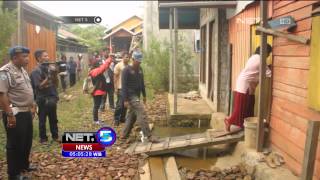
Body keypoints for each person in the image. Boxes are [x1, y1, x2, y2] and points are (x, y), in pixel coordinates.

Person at [0, 46, 37, 179]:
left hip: (26, 112)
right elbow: (2, 95)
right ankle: (13, 173)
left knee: (26, 141)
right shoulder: (5, 72)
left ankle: (23, 165)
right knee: (14, 144)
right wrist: (9, 115)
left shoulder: (22, 70)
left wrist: (32, 105)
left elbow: (26, 90)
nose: (27, 59)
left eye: (27, 56)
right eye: (24, 57)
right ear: (15, 58)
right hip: (14, 113)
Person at [224, 44, 272, 131]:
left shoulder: (254, 57)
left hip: (244, 83)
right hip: (245, 85)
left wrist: (267, 67)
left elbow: (259, 70)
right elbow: (269, 74)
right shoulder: (260, 59)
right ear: (265, 51)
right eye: (269, 53)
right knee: (242, 107)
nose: (269, 55)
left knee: (249, 105)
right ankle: (229, 121)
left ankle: (245, 126)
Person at [120, 51, 157, 142]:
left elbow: (142, 83)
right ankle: (149, 136)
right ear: (133, 59)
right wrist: (125, 100)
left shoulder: (140, 69)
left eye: (140, 61)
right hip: (130, 95)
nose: (139, 62)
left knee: (132, 116)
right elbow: (123, 86)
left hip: (137, 95)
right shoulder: (126, 70)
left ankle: (124, 135)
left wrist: (144, 95)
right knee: (142, 112)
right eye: (137, 61)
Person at [30, 49, 60, 143]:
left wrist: (54, 74)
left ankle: (55, 137)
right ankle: (43, 139)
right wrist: (48, 77)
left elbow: (56, 84)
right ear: (39, 58)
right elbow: (38, 86)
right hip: (42, 99)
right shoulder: (36, 71)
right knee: (42, 120)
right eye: (45, 56)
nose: (48, 57)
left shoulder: (49, 68)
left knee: (54, 119)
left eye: (47, 56)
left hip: (52, 97)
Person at [88, 55, 112, 124]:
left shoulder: (93, 70)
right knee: (96, 106)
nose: (100, 64)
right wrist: (109, 59)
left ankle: (96, 119)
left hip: (97, 91)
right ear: (97, 64)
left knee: (96, 105)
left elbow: (104, 68)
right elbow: (104, 67)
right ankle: (95, 120)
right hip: (97, 92)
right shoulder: (96, 71)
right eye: (99, 63)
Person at [113, 52, 130, 126]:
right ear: (123, 57)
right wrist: (115, 88)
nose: (127, 58)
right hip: (120, 88)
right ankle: (116, 119)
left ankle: (122, 118)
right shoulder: (118, 65)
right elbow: (115, 77)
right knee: (119, 105)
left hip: (127, 89)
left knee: (125, 105)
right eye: (126, 57)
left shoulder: (129, 66)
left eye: (128, 57)